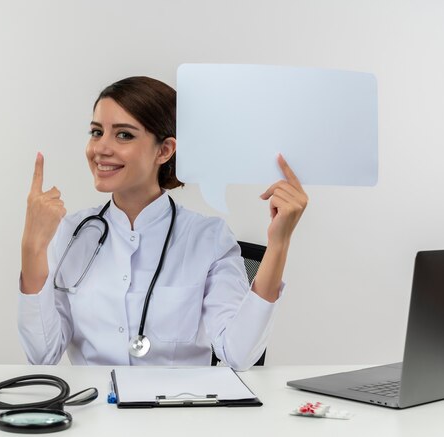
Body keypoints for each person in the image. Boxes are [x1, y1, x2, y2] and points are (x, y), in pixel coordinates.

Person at [18, 76, 307, 371]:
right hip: (93, 411)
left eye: (124, 135)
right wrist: (32, 248)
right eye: (96, 132)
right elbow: (43, 355)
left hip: (177, 411)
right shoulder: (70, 233)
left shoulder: (208, 238)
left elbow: (239, 355)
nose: (100, 148)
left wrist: (279, 244)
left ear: (165, 150)